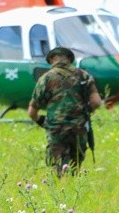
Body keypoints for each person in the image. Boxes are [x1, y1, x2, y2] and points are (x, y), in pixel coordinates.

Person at [28, 46, 103, 177]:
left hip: (57, 130)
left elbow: (32, 112)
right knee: (74, 168)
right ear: (69, 59)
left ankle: (60, 192)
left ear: (51, 59)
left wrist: (42, 121)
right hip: (79, 128)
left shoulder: (46, 78)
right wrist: (83, 113)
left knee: (58, 170)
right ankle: (72, 192)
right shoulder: (84, 76)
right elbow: (97, 102)